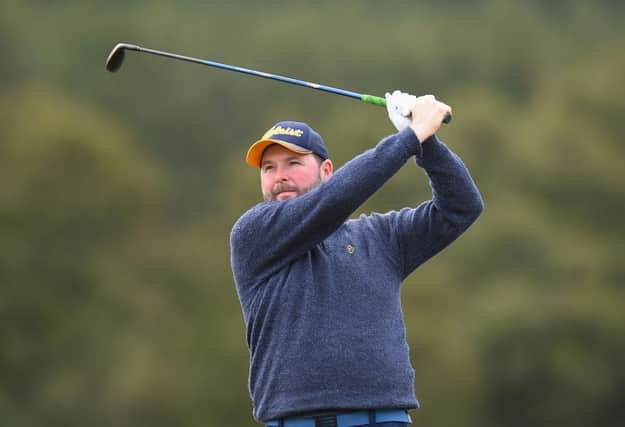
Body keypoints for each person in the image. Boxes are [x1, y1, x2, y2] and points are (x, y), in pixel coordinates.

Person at [229, 90, 484, 427]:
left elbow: (461, 207)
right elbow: (334, 200)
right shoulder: (254, 233)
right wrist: (412, 136)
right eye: (268, 168)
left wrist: (427, 141)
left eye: (293, 163)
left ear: (327, 170)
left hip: (385, 419)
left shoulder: (380, 236)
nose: (280, 177)